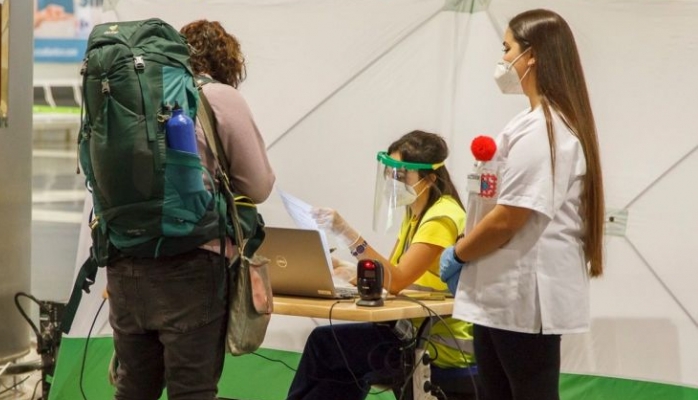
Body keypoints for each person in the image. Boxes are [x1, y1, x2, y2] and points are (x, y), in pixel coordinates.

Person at [439, 9, 604, 400]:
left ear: (531, 56)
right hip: (500, 295)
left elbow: (509, 218)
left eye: (507, 47)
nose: (502, 59)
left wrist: (459, 254)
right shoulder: (527, 124)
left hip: (523, 298)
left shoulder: (546, 130)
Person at [107, 20, 275, 400]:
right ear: (229, 63)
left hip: (124, 262)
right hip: (192, 267)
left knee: (134, 389)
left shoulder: (126, 96)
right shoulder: (217, 96)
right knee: (192, 391)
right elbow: (258, 186)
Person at [287, 130, 475, 400]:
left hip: (436, 343)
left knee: (326, 346)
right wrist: (350, 272)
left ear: (429, 178)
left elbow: (396, 280)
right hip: (410, 332)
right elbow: (394, 277)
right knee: (330, 351)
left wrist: (347, 233)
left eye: (401, 174)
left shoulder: (441, 217)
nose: (393, 181)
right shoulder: (416, 215)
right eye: (390, 172)